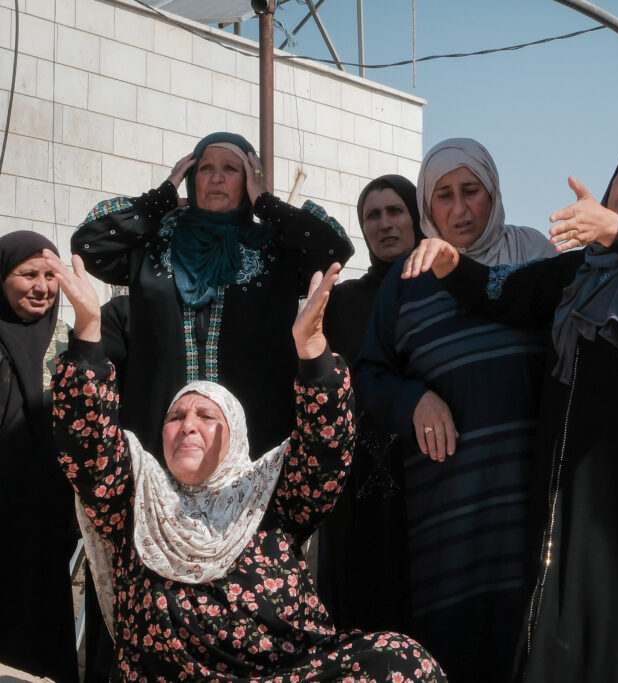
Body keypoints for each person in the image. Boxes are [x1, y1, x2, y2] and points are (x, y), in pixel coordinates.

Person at [401, 139, 618, 681]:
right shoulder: (574, 271)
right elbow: (497, 291)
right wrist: (450, 260)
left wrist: (617, 232)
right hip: (576, 502)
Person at [47, 248, 446, 682]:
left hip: (287, 675)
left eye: (207, 416)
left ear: (235, 433)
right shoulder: (132, 499)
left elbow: (326, 447)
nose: (188, 427)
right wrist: (88, 332)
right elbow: (87, 444)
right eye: (176, 417)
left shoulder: (269, 494)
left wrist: (312, 350)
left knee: (401, 659)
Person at [354, 139, 555, 682]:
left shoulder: (535, 254)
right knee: (456, 653)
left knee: (539, 645)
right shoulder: (406, 281)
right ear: (427, 206)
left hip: (533, 502)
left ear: (494, 193)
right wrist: (411, 399)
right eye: (444, 195)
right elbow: (369, 376)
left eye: (473, 192)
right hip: (449, 513)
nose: (460, 210)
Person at [71, 132, 354, 457]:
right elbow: (89, 241)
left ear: (248, 178)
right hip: (159, 436)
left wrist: (264, 201)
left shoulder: (275, 248)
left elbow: (336, 245)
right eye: (205, 168)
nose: (217, 178)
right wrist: (159, 198)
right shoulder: (155, 243)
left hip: (255, 442)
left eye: (231, 169)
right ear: (191, 178)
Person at [318, 175, 425, 632]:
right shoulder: (342, 302)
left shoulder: (445, 290)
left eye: (395, 211)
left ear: (417, 217)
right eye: (372, 215)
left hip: (428, 476)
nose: (384, 224)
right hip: (355, 485)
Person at [0, 232, 78, 682]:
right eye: (28, 274)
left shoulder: (67, 346)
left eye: (51, 275)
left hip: (47, 516)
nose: (42, 287)